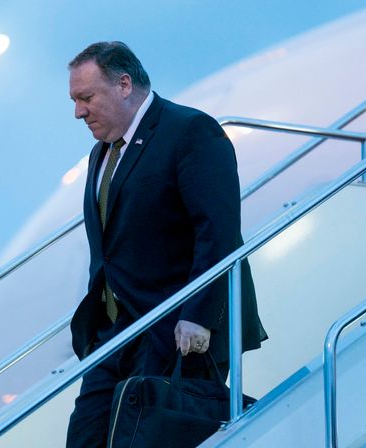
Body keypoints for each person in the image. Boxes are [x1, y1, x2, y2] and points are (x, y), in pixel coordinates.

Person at [66, 41, 267, 447]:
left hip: (177, 330)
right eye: (74, 100)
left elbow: (218, 230)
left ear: (124, 84)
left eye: (86, 97)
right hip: (116, 332)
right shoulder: (101, 154)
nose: (78, 112)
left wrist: (199, 315)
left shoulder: (189, 131)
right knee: (85, 436)